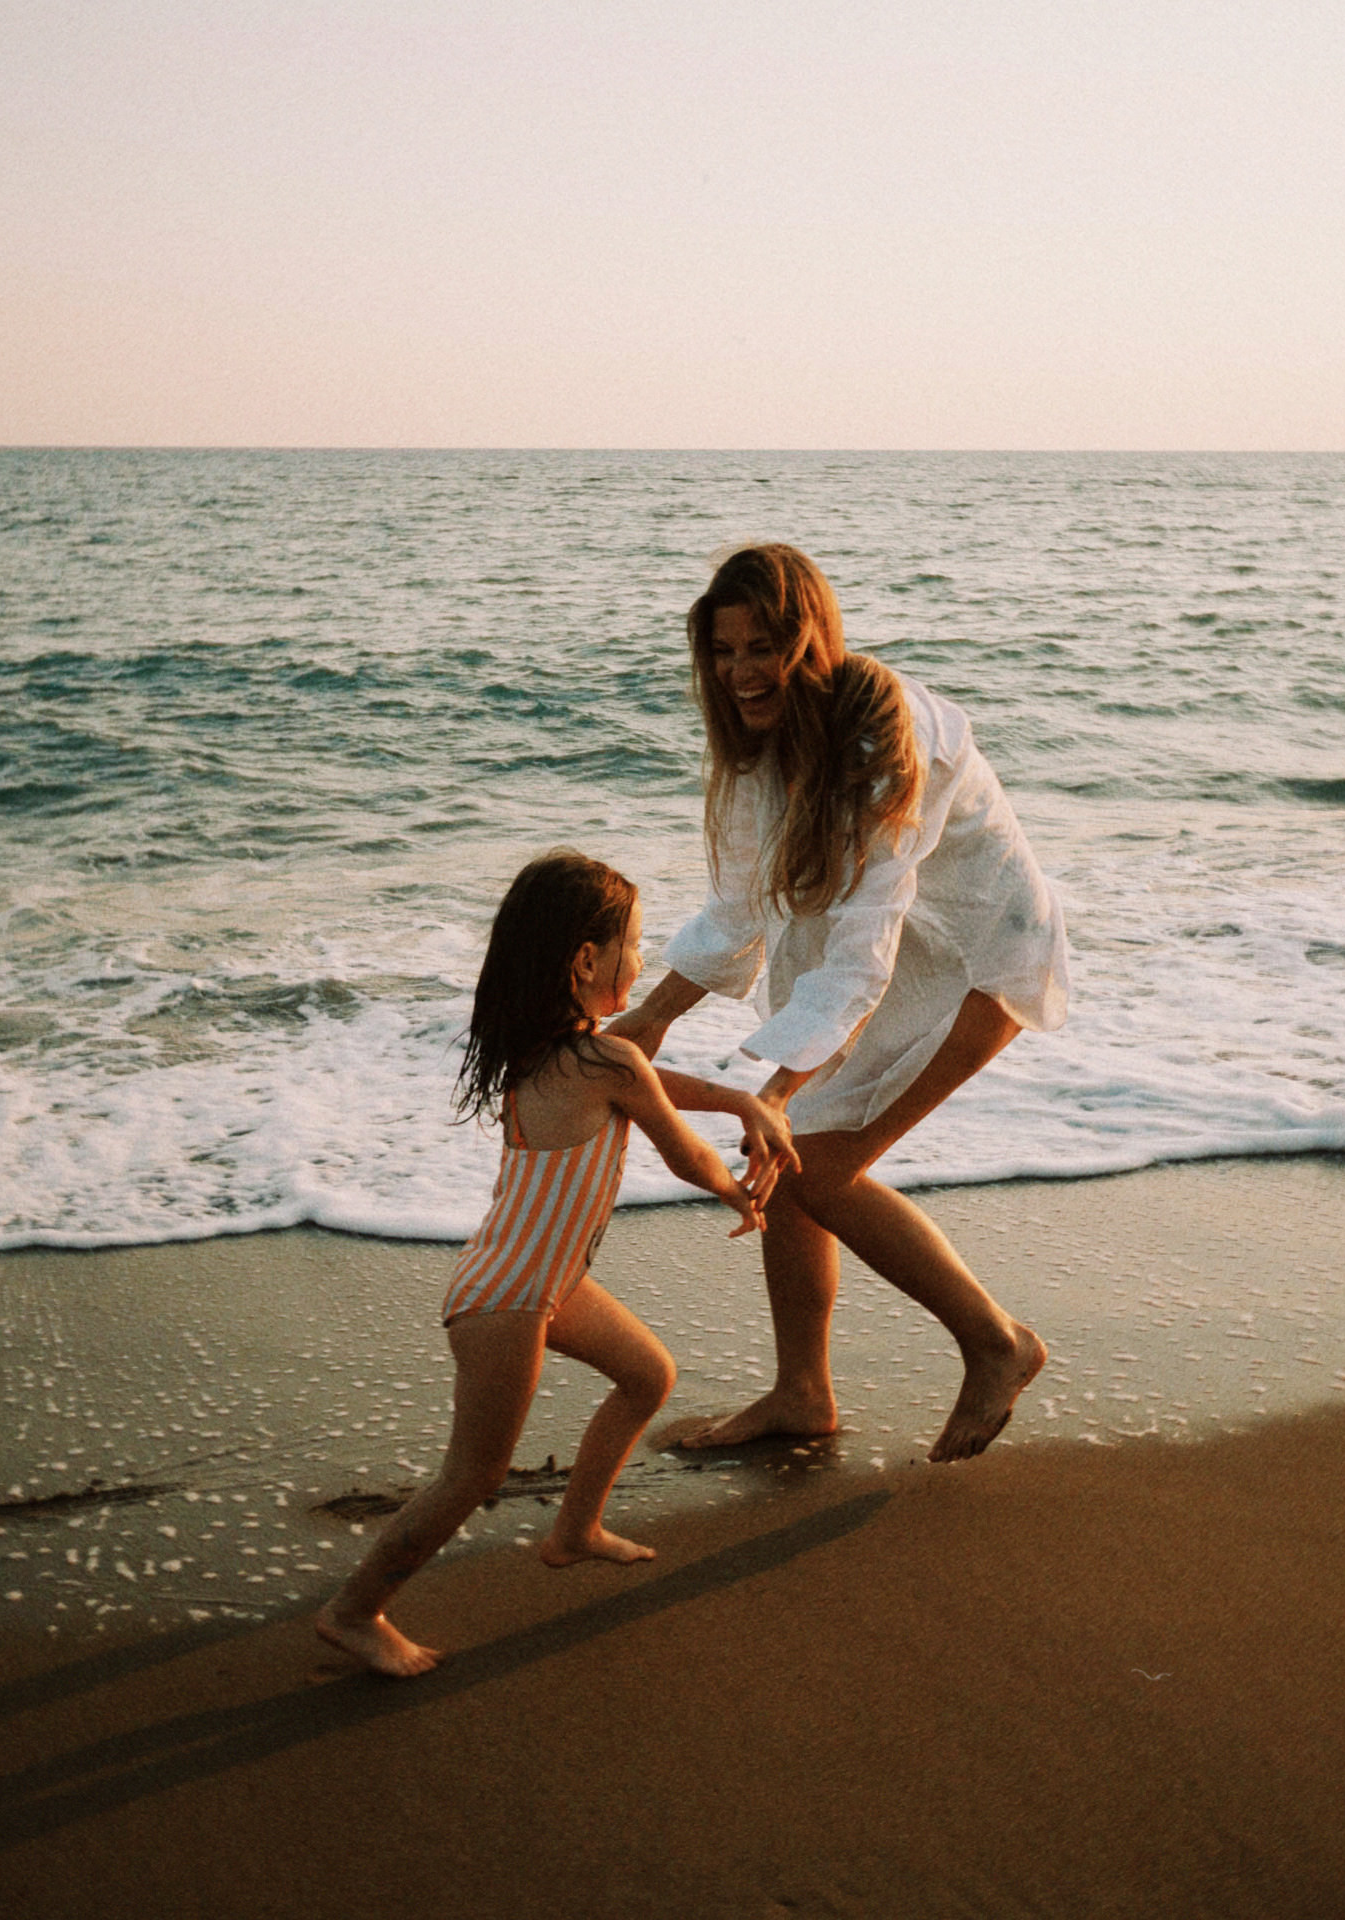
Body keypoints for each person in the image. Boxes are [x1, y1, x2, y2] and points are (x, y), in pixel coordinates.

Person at [611, 544, 1070, 1463]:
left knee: (816, 1165)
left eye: (764, 646)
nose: (741, 672)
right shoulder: (758, 746)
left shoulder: (892, 740)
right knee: (787, 1162)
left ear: (811, 638)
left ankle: (996, 1343)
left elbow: (864, 947)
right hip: (897, 963)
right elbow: (740, 907)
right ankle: (802, 1391)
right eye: (723, 649)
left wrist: (775, 1093)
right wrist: (651, 1017)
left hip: (981, 963)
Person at [317, 848, 795, 1677]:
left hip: (540, 1281)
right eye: (636, 946)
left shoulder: (554, 1054)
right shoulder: (603, 1064)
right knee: (472, 1475)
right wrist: (740, 1192)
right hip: (508, 1297)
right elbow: (681, 1151)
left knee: (648, 1374)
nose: (641, 962)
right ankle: (354, 1613)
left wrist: (739, 1099)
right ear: (587, 960)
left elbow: (651, 1076)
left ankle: (574, 1530)